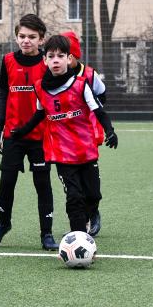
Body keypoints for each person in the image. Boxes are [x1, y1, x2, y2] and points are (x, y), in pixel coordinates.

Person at [11, 35, 118, 235]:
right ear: (45, 60)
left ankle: (89, 216)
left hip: (86, 150)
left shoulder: (80, 84)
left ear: (69, 59)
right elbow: (40, 114)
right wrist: (22, 132)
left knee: (93, 195)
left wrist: (110, 131)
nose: (56, 60)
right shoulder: (40, 88)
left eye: (61, 56)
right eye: (51, 56)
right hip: (62, 153)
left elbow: (98, 110)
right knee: (74, 196)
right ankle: (78, 236)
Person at [0, 14, 58, 251]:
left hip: (40, 135)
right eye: (21, 36)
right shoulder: (7, 61)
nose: (26, 41)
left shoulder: (48, 63)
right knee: (6, 182)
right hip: (13, 135)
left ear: (41, 39)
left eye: (31, 37)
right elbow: (3, 94)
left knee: (42, 184)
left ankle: (46, 234)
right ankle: (3, 223)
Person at [62, 31, 106, 237]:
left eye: (67, 53)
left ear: (74, 55)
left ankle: (93, 211)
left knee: (92, 191)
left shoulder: (89, 75)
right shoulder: (52, 76)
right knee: (73, 190)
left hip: (87, 137)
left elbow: (102, 96)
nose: (63, 58)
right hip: (63, 141)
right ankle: (79, 227)